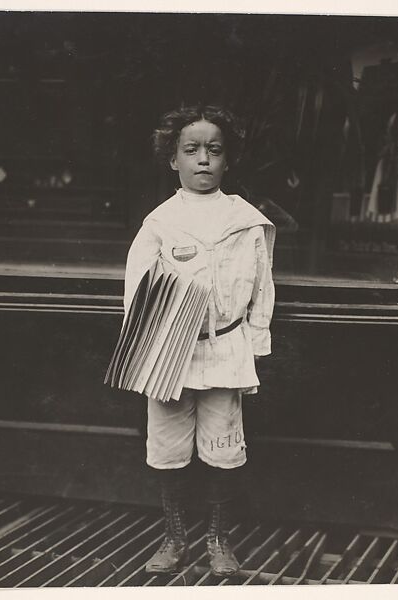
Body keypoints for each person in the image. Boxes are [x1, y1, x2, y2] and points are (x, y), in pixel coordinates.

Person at [122, 105, 275, 577]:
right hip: (171, 351)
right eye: (191, 150)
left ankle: (218, 538)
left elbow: (261, 288)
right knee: (168, 448)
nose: (203, 159)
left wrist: (254, 343)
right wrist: (150, 346)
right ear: (174, 160)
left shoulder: (246, 222)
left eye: (214, 150)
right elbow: (136, 293)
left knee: (223, 448)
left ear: (228, 160)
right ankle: (174, 537)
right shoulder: (160, 223)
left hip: (226, 349)